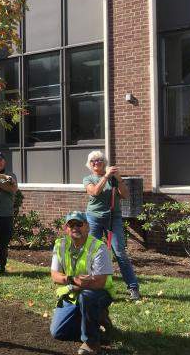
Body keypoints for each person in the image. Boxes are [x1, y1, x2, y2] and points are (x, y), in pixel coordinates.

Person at [50, 211, 115, 355]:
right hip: (73, 291)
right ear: (65, 228)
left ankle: (91, 343)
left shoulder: (99, 247)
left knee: (87, 297)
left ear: (87, 227)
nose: (75, 228)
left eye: (79, 224)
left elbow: (100, 282)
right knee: (58, 332)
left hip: (99, 292)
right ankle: (97, 320)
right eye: (71, 224)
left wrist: (78, 283)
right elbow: (55, 275)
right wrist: (72, 279)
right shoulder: (60, 245)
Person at [83, 150, 141, 301]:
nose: (96, 163)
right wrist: (106, 176)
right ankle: (92, 285)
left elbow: (125, 195)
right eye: (93, 161)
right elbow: (95, 192)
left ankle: (133, 287)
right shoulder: (88, 178)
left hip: (113, 218)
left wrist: (119, 178)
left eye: (99, 160)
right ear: (90, 165)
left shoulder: (113, 179)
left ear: (104, 162)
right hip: (94, 218)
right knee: (92, 252)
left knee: (120, 252)